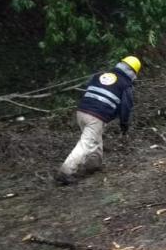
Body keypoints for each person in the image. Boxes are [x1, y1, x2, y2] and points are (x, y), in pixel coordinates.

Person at [56, 56, 140, 185]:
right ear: (132, 72)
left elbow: (88, 89)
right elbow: (126, 107)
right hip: (96, 116)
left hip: (81, 111)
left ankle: (93, 165)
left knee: (95, 140)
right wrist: (124, 125)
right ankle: (66, 172)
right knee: (86, 143)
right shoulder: (125, 84)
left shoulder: (100, 75)